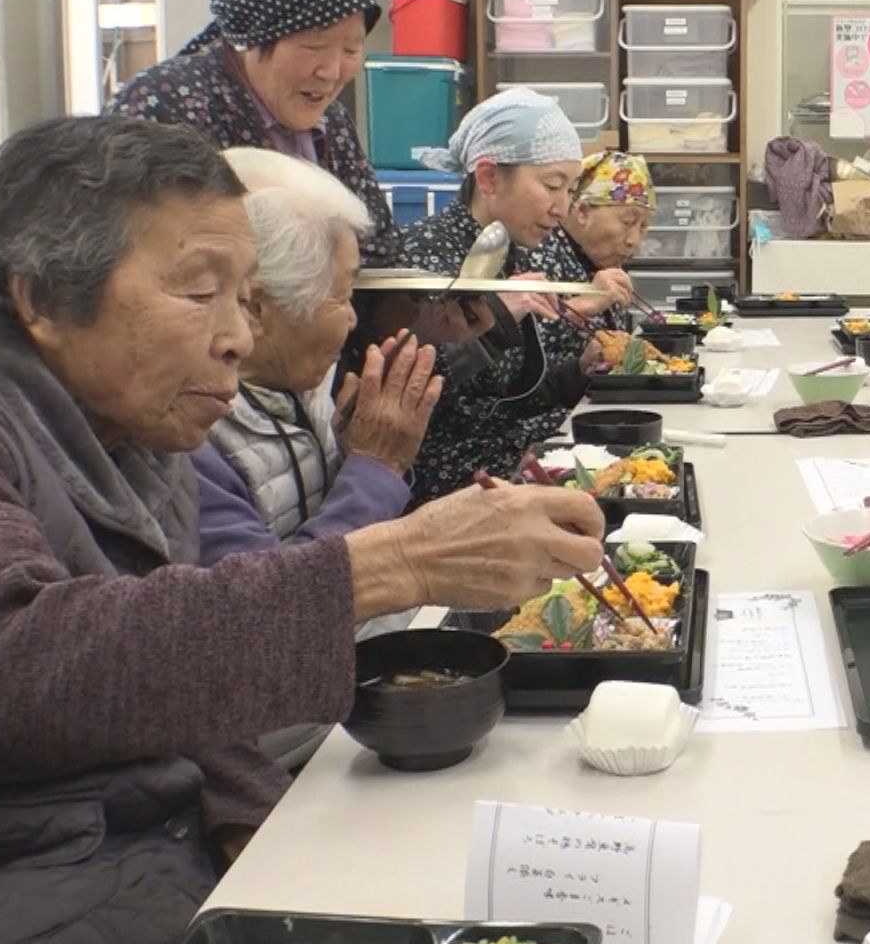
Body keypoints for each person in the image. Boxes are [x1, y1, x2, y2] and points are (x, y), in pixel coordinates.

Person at [0, 116, 605, 944]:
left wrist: (264, 838)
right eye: (201, 292)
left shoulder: (126, 415)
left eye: (245, 297)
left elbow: (174, 685)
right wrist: (398, 563)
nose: (239, 334)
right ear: (41, 296)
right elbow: (2, 671)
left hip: (136, 865)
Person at [191, 148, 442, 768]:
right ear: (258, 306)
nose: (354, 321)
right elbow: (272, 620)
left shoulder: (298, 390)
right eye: (344, 295)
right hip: (262, 735)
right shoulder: (188, 430)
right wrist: (374, 471)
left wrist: (363, 456)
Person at [393, 90, 637, 503]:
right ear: (488, 178)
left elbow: (508, 398)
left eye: (569, 190)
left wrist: (578, 369)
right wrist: (498, 319)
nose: (561, 209)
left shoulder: (510, 251)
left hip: (513, 463)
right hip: (450, 492)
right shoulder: (427, 254)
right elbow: (408, 398)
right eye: (551, 186)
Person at [108, 0, 394, 258]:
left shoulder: (331, 123)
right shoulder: (161, 108)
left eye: (351, 48)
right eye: (314, 46)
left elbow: (379, 243)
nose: (332, 71)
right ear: (255, 36)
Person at [456, 151, 654, 478]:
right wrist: (586, 303)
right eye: (627, 222)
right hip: (528, 436)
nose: (634, 239)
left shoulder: (599, 264)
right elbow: (517, 362)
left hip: (582, 408)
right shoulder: (538, 250)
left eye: (644, 227)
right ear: (583, 211)